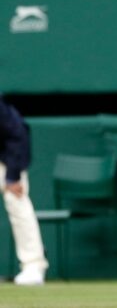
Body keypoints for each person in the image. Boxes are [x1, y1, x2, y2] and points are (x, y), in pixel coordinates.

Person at [0, 95, 49, 285]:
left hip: (6, 161)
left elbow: (18, 133)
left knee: (16, 201)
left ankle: (33, 266)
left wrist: (12, 176)